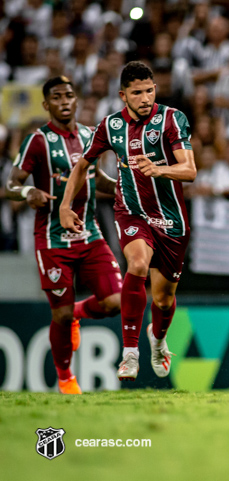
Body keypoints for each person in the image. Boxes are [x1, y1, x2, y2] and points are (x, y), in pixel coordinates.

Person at [59, 62, 197, 382]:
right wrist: (66, 205)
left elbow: (189, 170)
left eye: (149, 90)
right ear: (123, 95)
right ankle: (130, 354)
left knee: (163, 299)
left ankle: (158, 340)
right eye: (137, 92)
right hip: (131, 212)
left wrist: (159, 169)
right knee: (136, 264)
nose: (145, 97)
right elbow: (83, 166)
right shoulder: (109, 126)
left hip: (172, 219)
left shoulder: (172, 119)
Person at [5, 76, 122, 394]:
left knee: (115, 302)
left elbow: (97, 179)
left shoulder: (88, 135)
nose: (65, 101)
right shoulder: (38, 140)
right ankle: (66, 377)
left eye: (69, 95)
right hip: (52, 240)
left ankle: (78, 315)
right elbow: (11, 184)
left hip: (89, 234)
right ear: (46, 105)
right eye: (57, 97)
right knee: (60, 313)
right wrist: (29, 191)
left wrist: (125, 187)